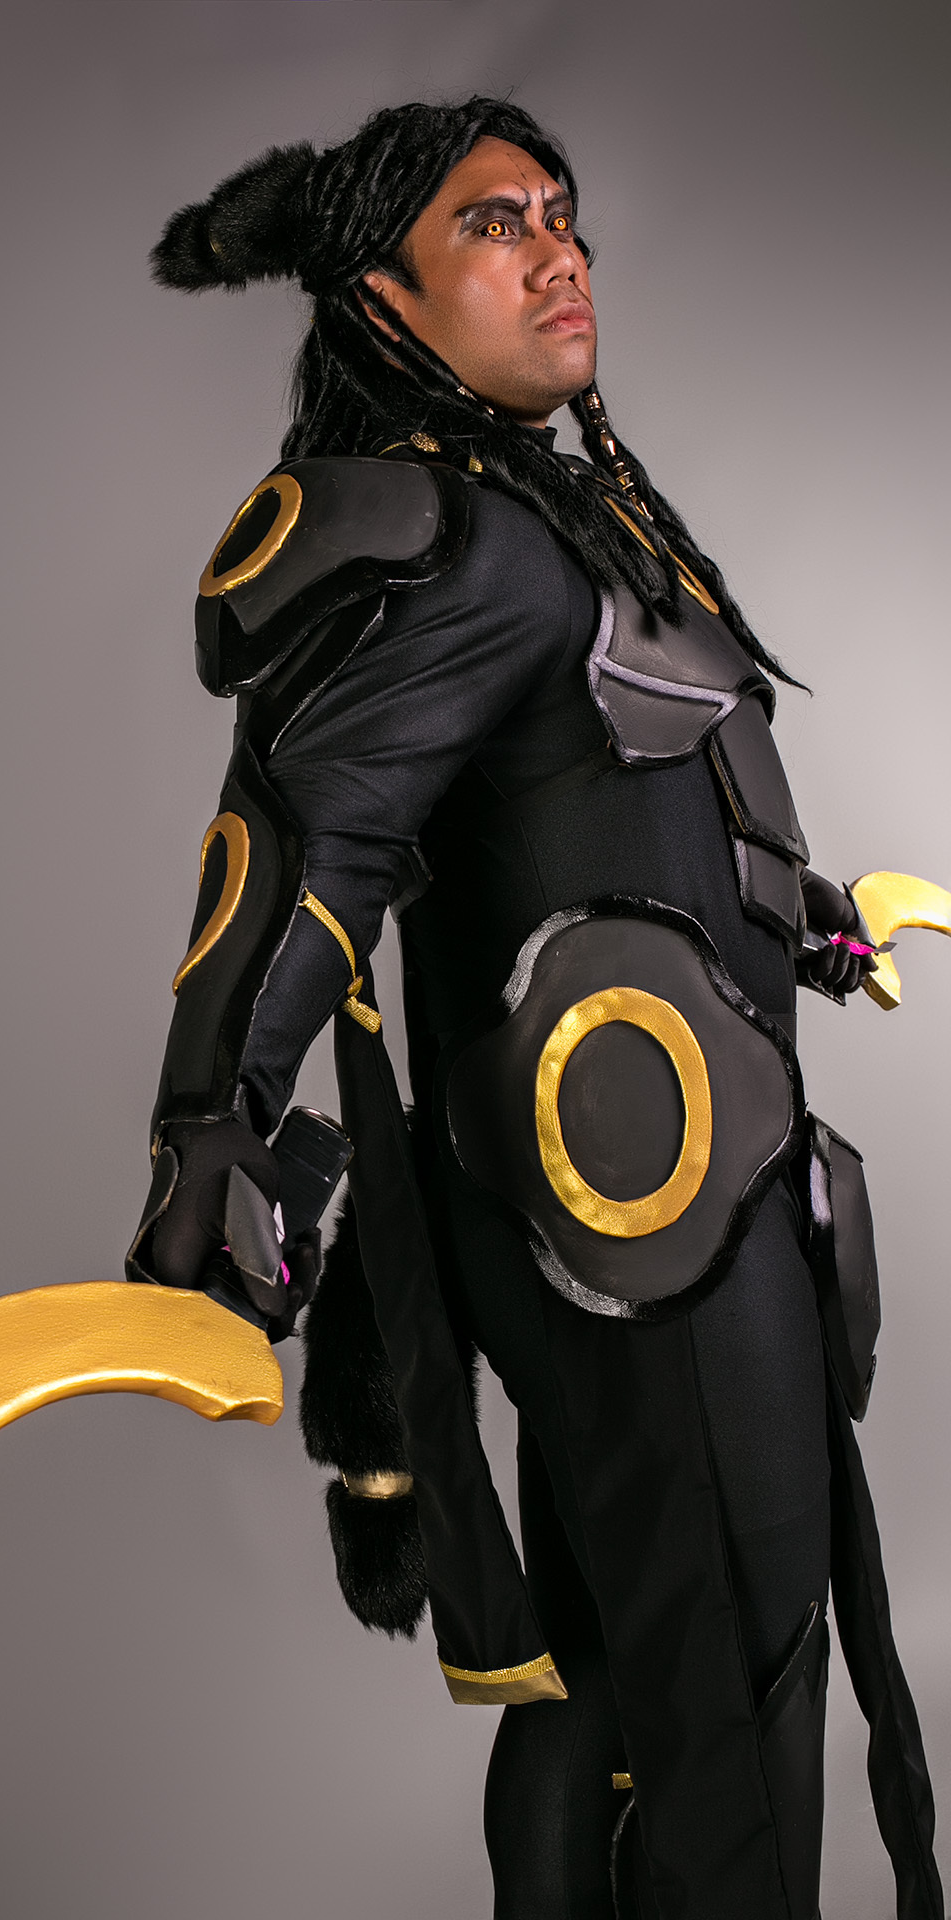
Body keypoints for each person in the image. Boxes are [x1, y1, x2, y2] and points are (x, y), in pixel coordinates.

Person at [125, 98, 941, 1920]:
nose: (559, 251)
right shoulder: (473, 542)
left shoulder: (559, 527)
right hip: (646, 1231)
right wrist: (211, 1135)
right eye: (495, 223)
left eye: (561, 214)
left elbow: (619, 821)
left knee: (618, 1677)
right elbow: (308, 844)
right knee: (731, 1683)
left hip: (659, 1206)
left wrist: (813, 926)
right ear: (383, 295)